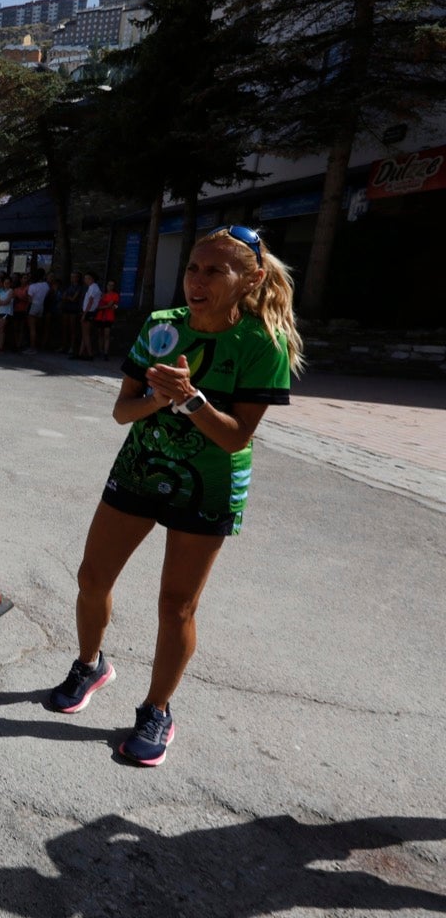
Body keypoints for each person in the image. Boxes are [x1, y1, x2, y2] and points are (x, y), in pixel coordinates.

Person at [48, 226, 302, 768]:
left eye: (215, 271)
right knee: (92, 578)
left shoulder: (262, 343)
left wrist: (189, 400)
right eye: (192, 268)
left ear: (251, 279)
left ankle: (157, 708)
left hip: (208, 484)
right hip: (141, 469)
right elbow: (123, 410)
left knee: (176, 605)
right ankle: (90, 665)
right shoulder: (162, 328)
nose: (197, 280)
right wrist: (157, 400)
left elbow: (235, 436)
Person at [90, 271, 118, 359]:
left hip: (108, 317)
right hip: (100, 317)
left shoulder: (115, 295)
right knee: (100, 334)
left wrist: (100, 307)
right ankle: (100, 351)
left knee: (106, 335)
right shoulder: (103, 295)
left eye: (112, 285)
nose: (110, 287)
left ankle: (106, 353)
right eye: (109, 285)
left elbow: (109, 305)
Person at [77, 271, 103, 359]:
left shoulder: (93, 288)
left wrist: (84, 314)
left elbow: (90, 301)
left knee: (86, 334)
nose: (85, 280)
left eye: (86, 278)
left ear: (91, 279)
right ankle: (80, 353)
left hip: (89, 312)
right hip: (89, 312)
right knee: (84, 334)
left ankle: (90, 354)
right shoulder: (93, 287)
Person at [25, 270, 50, 354]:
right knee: (38, 327)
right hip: (41, 306)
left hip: (34, 305)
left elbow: (29, 299)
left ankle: (32, 347)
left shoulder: (32, 286)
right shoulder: (46, 285)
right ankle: (39, 344)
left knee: (32, 328)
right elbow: (47, 295)